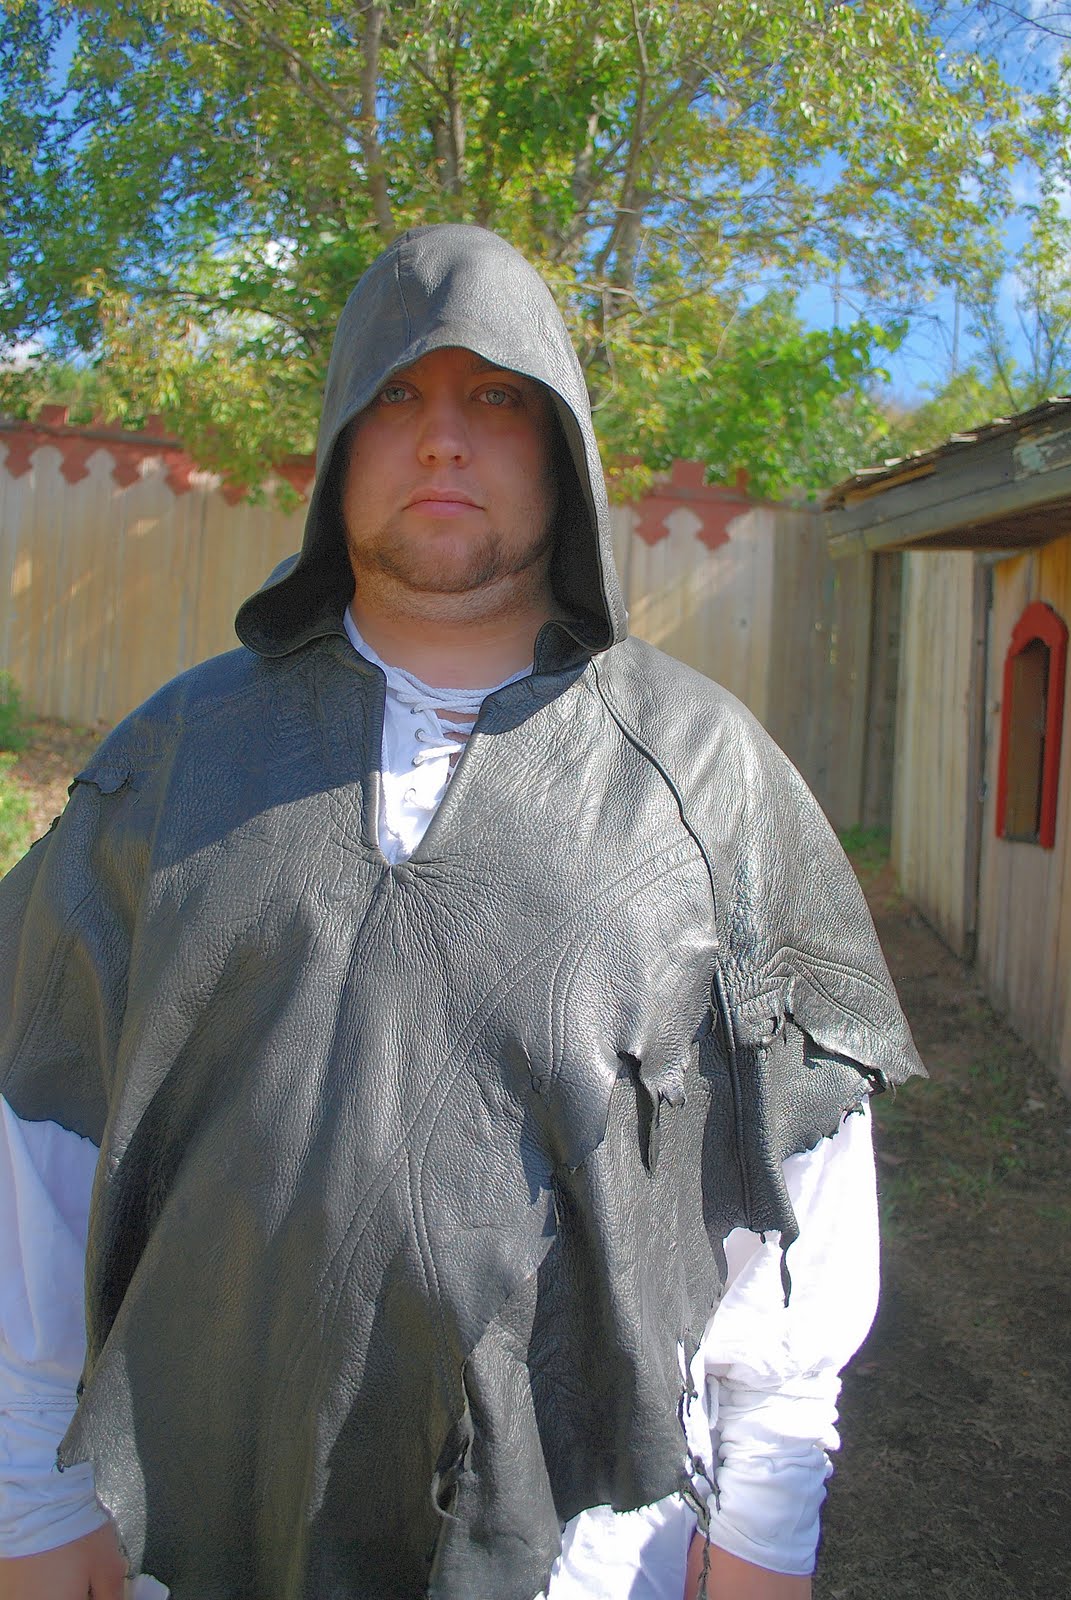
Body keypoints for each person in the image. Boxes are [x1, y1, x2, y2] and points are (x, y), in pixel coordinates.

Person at [0, 224, 922, 1600]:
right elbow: (39, 1141)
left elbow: (797, 1201)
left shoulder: (710, 782)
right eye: (397, 394)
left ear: (563, 445)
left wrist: (766, 1534)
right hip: (185, 1534)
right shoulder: (176, 758)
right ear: (338, 444)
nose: (443, 438)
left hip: (588, 1558)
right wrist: (27, 1495)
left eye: (494, 394)